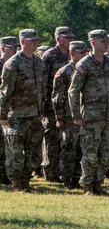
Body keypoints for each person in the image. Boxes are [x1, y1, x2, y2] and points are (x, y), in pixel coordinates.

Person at [69, 30, 109, 196]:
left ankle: (99, 184)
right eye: (103, 41)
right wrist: (76, 115)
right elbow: (73, 90)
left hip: (108, 116)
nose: (107, 44)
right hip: (91, 117)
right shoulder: (85, 64)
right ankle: (88, 186)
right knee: (90, 153)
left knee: (105, 153)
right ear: (93, 42)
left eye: (107, 41)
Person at [0, 29, 46, 192]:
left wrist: (42, 111)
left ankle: (26, 181)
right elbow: (6, 91)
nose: (35, 43)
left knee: (34, 153)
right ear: (23, 41)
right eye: (31, 40)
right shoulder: (13, 63)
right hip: (17, 116)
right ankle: (16, 184)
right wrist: (3, 115)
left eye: (36, 40)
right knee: (15, 153)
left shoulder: (39, 63)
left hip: (34, 115)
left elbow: (42, 89)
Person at [52, 40, 88, 189]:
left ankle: (76, 177)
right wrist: (59, 117)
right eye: (80, 52)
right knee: (68, 148)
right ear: (72, 53)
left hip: (82, 115)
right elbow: (57, 97)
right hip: (68, 117)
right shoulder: (64, 72)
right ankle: (66, 178)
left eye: (85, 52)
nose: (83, 55)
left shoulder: (86, 69)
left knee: (80, 148)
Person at [40, 26, 75, 182]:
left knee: (66, 141)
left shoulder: (71, 55)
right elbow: (42, 81)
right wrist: (43, 105)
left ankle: (64, 171)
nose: (69, 41)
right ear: (58, 38)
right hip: (50, 106)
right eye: (67, 38)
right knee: (51, 140)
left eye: (70, 38)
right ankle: (50, 173)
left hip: (67, 107)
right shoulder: (49, 56)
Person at [0, 36, 18, 187]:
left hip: (9, 109)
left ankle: (5, 174)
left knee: (7, 144)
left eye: (15, 47)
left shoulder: (15, 64)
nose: (14, 49)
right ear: (2, 48)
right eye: (11, 47)